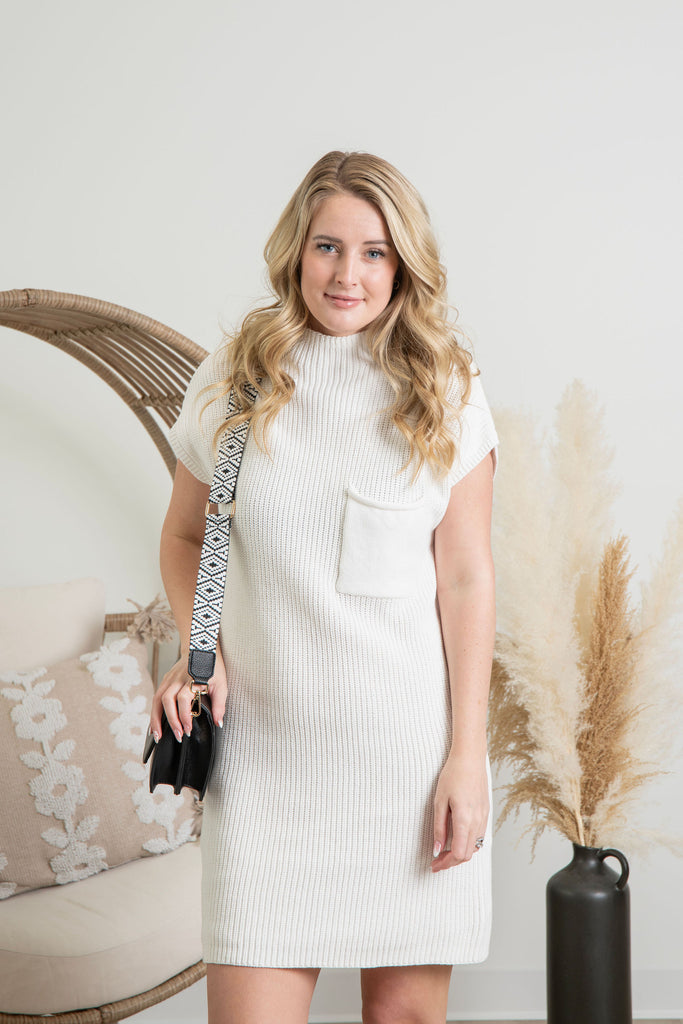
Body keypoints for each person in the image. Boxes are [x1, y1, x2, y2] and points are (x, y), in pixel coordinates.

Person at [150, 150, 498, 1024]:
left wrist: (466, 758)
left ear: (403, 264)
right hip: (266, 768)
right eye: (327, 247)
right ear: (295, 252)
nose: (348, 274)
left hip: (407, 766)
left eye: (374, 252)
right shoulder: (238, 375)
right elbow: (187, 534)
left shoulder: (446, 388)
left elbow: (465, 580)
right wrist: (200, 651)